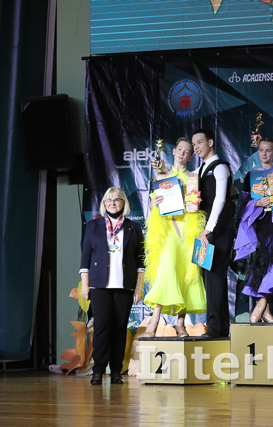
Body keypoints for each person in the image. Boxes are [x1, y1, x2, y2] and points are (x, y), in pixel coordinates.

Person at [142, 138, 207, 338]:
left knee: (185, 273)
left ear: (191, 156)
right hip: (168, 229)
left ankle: (180, 325)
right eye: (180, 149)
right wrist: (155, 202)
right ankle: (154, 322)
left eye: (187, 152)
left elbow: (195, 208)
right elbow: (152, 207)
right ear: (174, 151)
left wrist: (193, 201)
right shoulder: (162, 176)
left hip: (187, 230)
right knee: (166, 271)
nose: (182, 154)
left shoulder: (193, 177)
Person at [79, 187, 144, 385]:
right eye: (108, 200)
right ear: (104, 204)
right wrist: (85, 285)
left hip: (124, 286)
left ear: (123, 203)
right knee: (101, 328)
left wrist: (139, 287)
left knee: (119, 329)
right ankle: (98, 370)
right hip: (99, 287)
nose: (112, 203)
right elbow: (85, 257)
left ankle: (116, 371)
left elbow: (140, 261)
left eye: (117, 200)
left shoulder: (134, 227)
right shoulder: (93, 226)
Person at [235, 137, 273, 323]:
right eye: (261, 150)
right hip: (259, 225)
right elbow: (242, 206)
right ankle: (264, 309)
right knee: (262, 264)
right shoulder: (251, 176)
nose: (264, 154)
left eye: (268, 150)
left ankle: (262, 306)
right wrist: (257, 203)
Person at [192, 128, 235, 338]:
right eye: (193, 144)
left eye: (199, 142)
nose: (196, 147)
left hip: (217, 230)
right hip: (205, 229)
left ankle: (215, 327)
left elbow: (220, 199)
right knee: (211, 278)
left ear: (210, 142)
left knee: (215, 276)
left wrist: (209, 228)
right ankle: (220, 327)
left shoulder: (220, 167)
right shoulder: (201, 169)